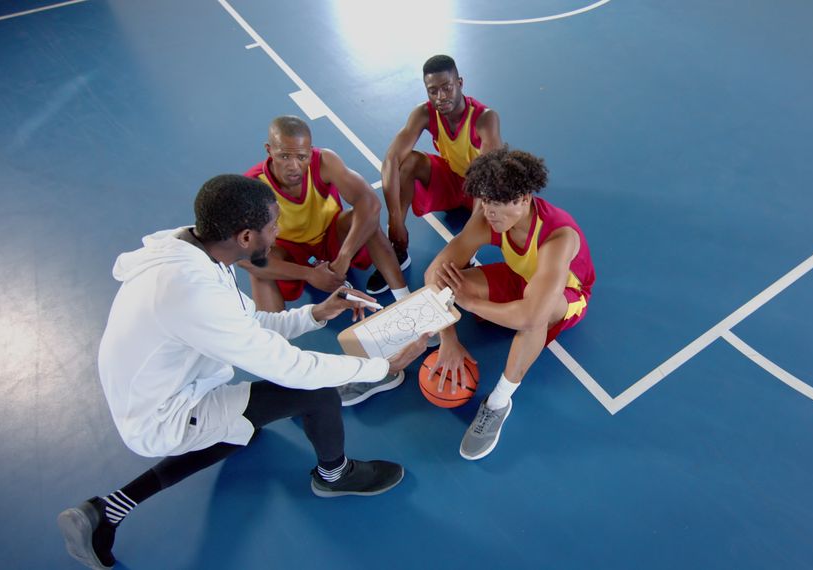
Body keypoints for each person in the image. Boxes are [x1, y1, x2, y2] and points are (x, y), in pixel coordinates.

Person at [57, 175, 430, 570]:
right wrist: (381, 366)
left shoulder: (194, 249)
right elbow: (290, 368)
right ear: (247, 237)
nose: (279, 231)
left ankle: (106, 512)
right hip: (164, 412)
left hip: (151, 387)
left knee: (244, 428)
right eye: (273, 225)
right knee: (316, 394)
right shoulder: (191, 292)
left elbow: (247, 323)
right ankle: (334, 476)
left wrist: (316, 313)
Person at [424, 148, 595, 460]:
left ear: (525, 199)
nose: (491, 212)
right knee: (448, 279)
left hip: (565, 297)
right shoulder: (486, 217)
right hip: (521, 279)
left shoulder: (558, 236)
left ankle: (499, 403)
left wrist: (470, 303)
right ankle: (435, 332)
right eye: (486, 201)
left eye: (500, 202)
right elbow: (433, 273)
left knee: (537, 316)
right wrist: (448, 339)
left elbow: (531, 317)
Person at [243, 115, 409, 308]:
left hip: (333, 239)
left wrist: (345, 256)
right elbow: (244, 260)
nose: (293, 166)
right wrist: (309, 274)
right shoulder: (253, 186)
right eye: (284, 156)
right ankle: (271, 336)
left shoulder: (325, 161)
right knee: (258, 266)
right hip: (290, 254)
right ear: (269, 150)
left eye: (302, 157)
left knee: (365, 217)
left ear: (310, 152)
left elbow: (370, 203)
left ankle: (407, 301)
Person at [375, 54, 503, 291]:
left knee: (490, 197)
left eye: (447, 88)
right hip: (453, 181)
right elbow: (391, 159)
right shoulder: (424, 113)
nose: (440, 97)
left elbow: (487, 178)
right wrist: (394, 222)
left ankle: (467, 256)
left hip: (480, 188)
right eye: (433, 91)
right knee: (409, 162)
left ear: (460, 83)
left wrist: (466, 242)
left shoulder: (485, 119)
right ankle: (398, 251)